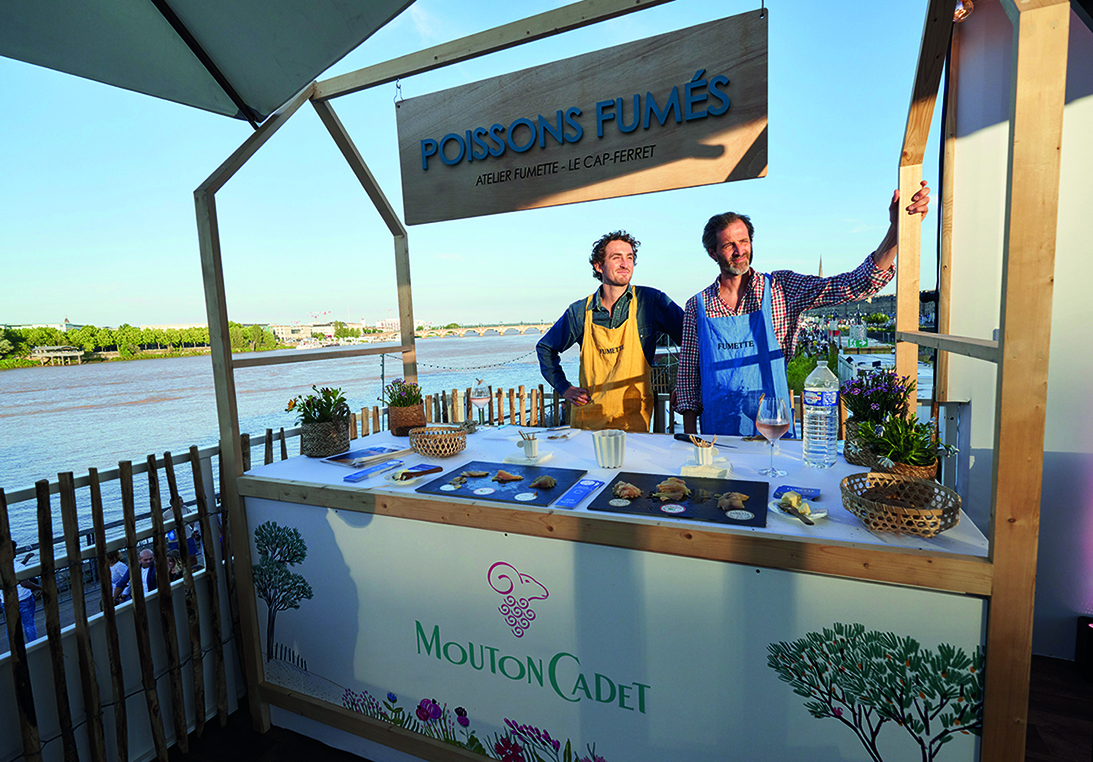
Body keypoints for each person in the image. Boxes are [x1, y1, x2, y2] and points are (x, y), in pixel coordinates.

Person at [676, 183, 932, 436]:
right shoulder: (697, 306)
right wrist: (689, 439)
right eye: (729, 245)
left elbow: (851, 285)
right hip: (716, 434)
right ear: (713, 253)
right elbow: (688, 374)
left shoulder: (781, 288)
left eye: (743, 241)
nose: (739, 250)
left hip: (773, 428)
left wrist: (897, 231)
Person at [537, 230, 684, 431]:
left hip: (632, 420)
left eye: (629, 257)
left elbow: (692, 340)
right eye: (617, 258)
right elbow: (545, 348)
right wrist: (564, 388)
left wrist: (683, 383)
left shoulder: (651, 301)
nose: (625, 264)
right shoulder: (580, 312)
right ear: (599, 266)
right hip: (588, 421)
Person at [1, 545, 41, 643]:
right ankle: (33, 645)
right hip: (23, 599)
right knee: (29, 624)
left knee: (11, 626)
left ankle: (14, 648)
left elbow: (13, 574)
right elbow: (24, 583)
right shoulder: (18, 566)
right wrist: (39, 587)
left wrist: (25, 560)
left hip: (6, 601)